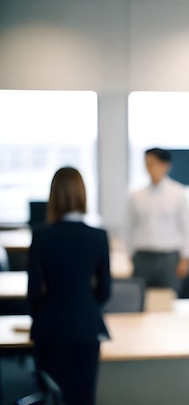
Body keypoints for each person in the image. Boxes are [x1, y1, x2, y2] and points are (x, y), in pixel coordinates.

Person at [27, 167, 111, 405]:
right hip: (86, 328)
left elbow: (33, 292)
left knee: (51, 396)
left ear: (53, 196)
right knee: (82, 396)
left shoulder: (41, 236)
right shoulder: (98, 236)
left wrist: (44, 314)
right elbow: (105, 290)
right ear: (82, 195)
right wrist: (84, 306)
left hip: (50, 328)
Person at [123, 147, 189, 293]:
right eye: (147, 164)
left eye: (153, 163)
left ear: (165, 165)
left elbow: (187, 228)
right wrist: (129, 253)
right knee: (142, 299)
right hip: (143, 256)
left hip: (169, 257)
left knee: (168, 300)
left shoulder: (178, 194)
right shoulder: (136, 196)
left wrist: (185, 258)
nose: (149, 168)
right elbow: (129, 227)